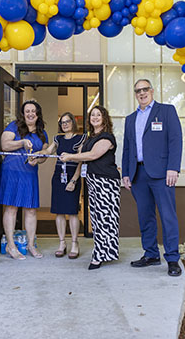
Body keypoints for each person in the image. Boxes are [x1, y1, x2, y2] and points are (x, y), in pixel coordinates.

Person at [122, 78, 183, 277]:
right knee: (145, 217)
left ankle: (172, 259)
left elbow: (175, 140)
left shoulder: (166, 111)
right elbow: (127, 148)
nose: (142, 93)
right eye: (138, 90)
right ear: (135, 94)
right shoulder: (130, 119)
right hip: (138, 175)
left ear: (152, 90)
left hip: (162, 174)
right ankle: (151, 254)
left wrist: (173, 168)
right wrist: (126, 173)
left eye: (145, 89)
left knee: (167, 217)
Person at [60, 105, 121, 270]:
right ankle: (104, 252)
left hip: (106, 182)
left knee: (105, 219)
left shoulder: (107, 137)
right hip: (93, 180)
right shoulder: (90, 137)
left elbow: (93, 155)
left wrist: (71, 156)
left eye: (98, 115)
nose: (95, 117)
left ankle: (99, 255)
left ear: (104, 118)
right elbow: (84, 155)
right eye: (92, 115)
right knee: (96, 218)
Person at [0, 100, 48, 260]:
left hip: (30, 174)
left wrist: (38, 159)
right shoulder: (14, 126)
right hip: (12, 172)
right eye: (27, 111)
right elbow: (4, 145)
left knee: (31, 209)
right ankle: (11, 246)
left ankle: (31, 245)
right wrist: (21, 142)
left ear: (38, 113)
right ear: (23, 113)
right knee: (11, 208)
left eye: (33, 111)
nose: (30, 114)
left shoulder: (42, 132)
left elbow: (45, 154)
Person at [41, 112, 85, 259]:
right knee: (59, 212)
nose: (65, 124)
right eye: (62, 122)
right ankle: (62, 243)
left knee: (72, 212)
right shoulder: (58, 138)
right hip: (58, 177)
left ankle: (74, 243)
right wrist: (36, 154)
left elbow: (81, 161)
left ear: (73, 122)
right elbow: (47, 151)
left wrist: (74, 180)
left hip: (73, 176)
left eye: (67, 121)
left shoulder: (81, 138)